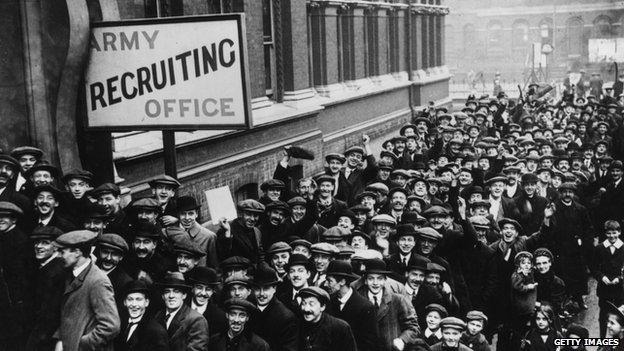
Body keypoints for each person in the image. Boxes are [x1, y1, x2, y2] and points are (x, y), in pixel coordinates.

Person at [54, 230, 121, 351]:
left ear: (77, 252)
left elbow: (111, 326)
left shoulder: (98, 281)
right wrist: (61, 339)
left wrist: (82, 344)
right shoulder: (70, 274)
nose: (59, 256)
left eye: (62, 252)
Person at [356, 258, 420, 351]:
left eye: (379, 278)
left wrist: (402, 340)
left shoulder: (398, 300)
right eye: (371, 278)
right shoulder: (358, 301)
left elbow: (413, 327)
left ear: (385, 280)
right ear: (365, 281)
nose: (375, 283)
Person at [325, 259, 379, 351]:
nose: (326, 284)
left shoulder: (365, 307)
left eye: (330, 281)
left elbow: (370, 344)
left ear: (342, 281)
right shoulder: (328, 302)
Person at [0, 201, 33, 351]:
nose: (1, 220)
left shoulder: (21, 240)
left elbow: (22, 275)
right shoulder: (3, 236)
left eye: (5, 217)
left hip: (14, 300)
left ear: (14, 219)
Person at [26, 226, 65, 351]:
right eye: (37, 242)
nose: (38, 246)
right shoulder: (44, 266)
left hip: (44, 338)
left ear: (56, 247)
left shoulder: (55, 272)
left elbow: (49, 313)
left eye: (45, 243)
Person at [154, 272, 209, 351]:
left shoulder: (196, 320)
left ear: (184, 295)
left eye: (176, 291)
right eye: (167, 291)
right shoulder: (158, 316)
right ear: (163, 296)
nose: (171, 296)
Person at [249, 263, 298, 351]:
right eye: (257, 289)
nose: (261, 294)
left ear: (274, 288)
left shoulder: (286, 318)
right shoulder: (248, 308)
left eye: (266, 288)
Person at [114, 280, 169, 351]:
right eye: (130, 299)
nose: (134, 304)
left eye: (138, 299)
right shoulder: (119, 325)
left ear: (146, 302)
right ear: (125, 302)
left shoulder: (156, 332)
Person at [297, 286, 357, 351]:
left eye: (311, 304)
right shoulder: (297, 325)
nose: (306, 309)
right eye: (303, 303)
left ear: (322, 307)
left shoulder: (340, 327)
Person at [592, 220, 624, 337]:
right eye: (609, 233)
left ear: (619, 232)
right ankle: (602, 340)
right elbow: (594, 267)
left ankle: (617, 342)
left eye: (614, 233)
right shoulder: (600, 248)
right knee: (603, 316)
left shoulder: (623, 248)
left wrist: (619, 279)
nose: (612, 236)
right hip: (604, 290)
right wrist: (601, 277)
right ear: (605, 234)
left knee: (618, 316)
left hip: (620, 290)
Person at [187, 266, 227, 337]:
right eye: (199, 288)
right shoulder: (180, 307)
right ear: (192, 288)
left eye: (208, 289)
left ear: (212, 292)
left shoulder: (219, 317)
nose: (203, 293)